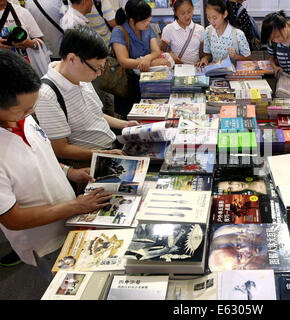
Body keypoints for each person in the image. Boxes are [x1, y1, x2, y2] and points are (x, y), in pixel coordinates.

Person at [0, 49, 112, 280]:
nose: (30, 113)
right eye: (22, 110)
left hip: (70, 218)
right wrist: (76, 207)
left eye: (32, 106)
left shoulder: (22, 116)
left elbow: (40, 155)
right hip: (45, 242)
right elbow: (12, 218)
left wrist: (68, 172)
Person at [34, 26, 138, 166]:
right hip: (87, 162)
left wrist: (126, 125)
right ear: (72, 59)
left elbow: (96, 114)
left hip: (110, 146)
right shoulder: (47, 95)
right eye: (96, 67)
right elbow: (60, 148)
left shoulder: (80, 76)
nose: (99, 73)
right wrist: (103, 155)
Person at [110, 0, 168, 119]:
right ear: (132, 21)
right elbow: (124, 61)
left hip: (148, 81)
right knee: (129, 118)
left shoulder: (147, 28)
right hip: (128, 84)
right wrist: (153, 62)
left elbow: (156, 50)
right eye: (144, 21)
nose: (148, 23)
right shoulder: (119, 31)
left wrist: (148, 58)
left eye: (149, 19)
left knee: (149, 116)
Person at [196, 0, 251, 66]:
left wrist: (235, 56)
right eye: (208, 17)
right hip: (215, 73)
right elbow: (209, 55)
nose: (211, 21)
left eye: (214, 18)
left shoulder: (238, 34)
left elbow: (249, 58)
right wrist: (205, 59)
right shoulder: (208, 30)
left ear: (224, 14)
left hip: (232, 74)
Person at [160, 0, 205, 65]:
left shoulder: (200, 29)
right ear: (175, 12)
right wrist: (170, 55)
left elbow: (202, 55)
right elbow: (161, 51)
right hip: (177, 69)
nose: (187, 16)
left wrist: (204, 59)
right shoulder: (168, 29)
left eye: (189, 11)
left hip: (195, 69)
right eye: (182, 13)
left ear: (193, 9)